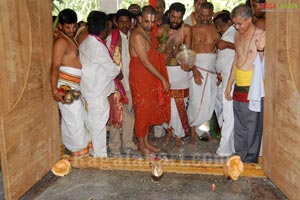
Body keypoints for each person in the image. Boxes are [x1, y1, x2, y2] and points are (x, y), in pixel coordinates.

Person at [225, 4, 265, 163]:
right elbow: (237, 60)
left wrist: (261, 50)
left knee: (253, 127)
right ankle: (240, 156)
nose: (236, 27)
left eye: (239, 23)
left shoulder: (260, 35)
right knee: (240, 125)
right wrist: (229, 84)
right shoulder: (237, 35)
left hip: (253, 87)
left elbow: (264, 65)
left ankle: (250, 159)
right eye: (234, 23)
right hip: (238, 86)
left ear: (249, 19)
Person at [129, 5, 170, 155]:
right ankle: (141, 145)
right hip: (140, 78)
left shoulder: (148, 33)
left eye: (152, 22)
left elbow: (153, 52)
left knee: (148, 110)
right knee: (142, 111)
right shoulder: (137, 36)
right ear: (140, 19)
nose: (149, 25)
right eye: (146, 22)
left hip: (149, 77)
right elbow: (145, 62)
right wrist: (163, 79)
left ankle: (146, 142)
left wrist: (161, 49)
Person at [79, 11, 121, 157]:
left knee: (92, 124)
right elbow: (111, 68)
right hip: (96, 92)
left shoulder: (86, 42)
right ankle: (100, 156)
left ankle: (93, 152)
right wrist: (118, 71)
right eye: (107, 27)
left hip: (89, 89)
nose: (108, 31)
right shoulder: (97, 46)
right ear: (102, 29)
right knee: (98, 125)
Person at [50, 9, 89, 157]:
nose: (72, 30)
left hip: (75, 85)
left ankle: (75, 150)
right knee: (74, 119)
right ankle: (78, 151)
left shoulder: (70, 38)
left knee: (76, 118)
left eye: (74, 26)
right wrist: (54, 90)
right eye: (68, 27)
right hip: (65, 85)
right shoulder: (61, 41)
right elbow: (54, 66)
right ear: (60, 25)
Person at [157, 2, 192, 146]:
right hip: (165, 71)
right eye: (173, 17)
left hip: (181, 71)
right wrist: (161, 50)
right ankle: (169, 131)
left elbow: (189, 51)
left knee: (180, 103)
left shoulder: (187, 29)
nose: (175, 20)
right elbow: (154, 51)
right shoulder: (161, 30)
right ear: (168, 15)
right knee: (167, 104)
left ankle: (180, 135)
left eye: (178, 17)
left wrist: (182, 56)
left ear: (182, 16)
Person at [106, 9, 137, 155]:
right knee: (116, 116)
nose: (125, 25)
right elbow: (106, 60)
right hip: (117, 84)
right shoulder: (111, 38)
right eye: (121, 22)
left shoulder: (134, 36)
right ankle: (114, 146)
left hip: (132, 83)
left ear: (131, 22)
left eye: (127, 21)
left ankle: (128, 143)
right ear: (116, 23)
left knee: (130, 114)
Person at [188, 2, 219, 145]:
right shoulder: (191, 30)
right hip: (197, 69)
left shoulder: (216, 29)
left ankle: (204, 133)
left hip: (211, 71)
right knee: (195, 102)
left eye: (208, 15)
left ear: (212, 14)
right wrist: (193, 70)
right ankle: (193, 134)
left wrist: (218, 72)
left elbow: (219, 52)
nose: (205, 17)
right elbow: (187, 52)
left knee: (208, 104)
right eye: (203, 14)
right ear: (198, 14)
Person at [213, 12, 236, 156]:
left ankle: (224, 149)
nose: (219, 30)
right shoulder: (227, 35)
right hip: (225, 78)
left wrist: (227, 44)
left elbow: (244, 48)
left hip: (231, 80)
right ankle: (230, 146)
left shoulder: (235, 34)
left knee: (229, 115)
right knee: (225, 114)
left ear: (228, 23)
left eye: (220, 26)